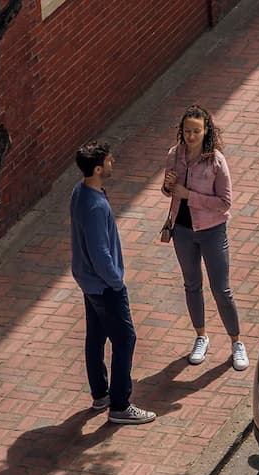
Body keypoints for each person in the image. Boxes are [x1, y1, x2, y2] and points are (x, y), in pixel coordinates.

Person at [71, 140, 156, 425]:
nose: (113, 162)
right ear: (97, 168)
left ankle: (100, 393)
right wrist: (117, 281)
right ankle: (120, 405)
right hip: (105, 285)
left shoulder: (79, 192)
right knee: (125, 339)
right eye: (108, 160)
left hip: (88, 282)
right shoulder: (95, 206)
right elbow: (100, 253)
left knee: (95, 336)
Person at [161, 105, 249, 370]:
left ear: (206, 130)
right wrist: (169, 187)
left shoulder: (216, 161)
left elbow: (224, 202)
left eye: (196, 131)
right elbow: (169, 191)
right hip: (183, 231)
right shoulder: (174, 155)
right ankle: (201, 336)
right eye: (187, 131)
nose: (191, 136)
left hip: (212, 230)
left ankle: (236, 342)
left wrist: (188, 195)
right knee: (191, 285)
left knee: (221, 289)